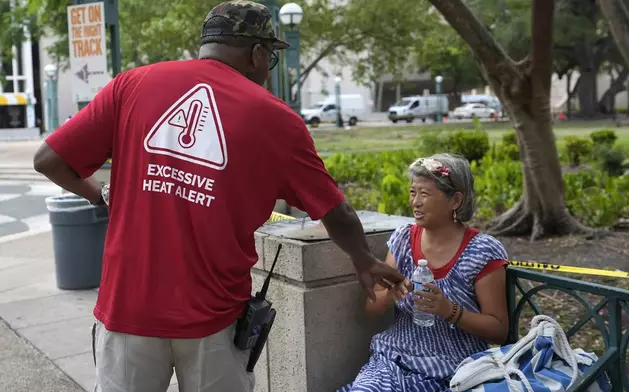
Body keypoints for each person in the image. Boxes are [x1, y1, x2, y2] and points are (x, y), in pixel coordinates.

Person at [32, 1, 407, 391]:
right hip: (214, 319)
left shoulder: (133, 84)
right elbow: (337, 210)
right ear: (257, 53)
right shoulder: (275, 118)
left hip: (128, 308)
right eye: (270, 58)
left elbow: (49, 161)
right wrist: (363, 259)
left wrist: (100, 195)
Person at [338, 153, 510, 392]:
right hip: (392, 361)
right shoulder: (403, 239)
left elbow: (499, 330)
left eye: (425, 194)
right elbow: (371, 307)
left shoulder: (482, 251)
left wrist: (448, 310)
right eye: (412, 192)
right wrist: (391, 295)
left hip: (453, 371)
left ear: (455, 201)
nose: (415, 202)